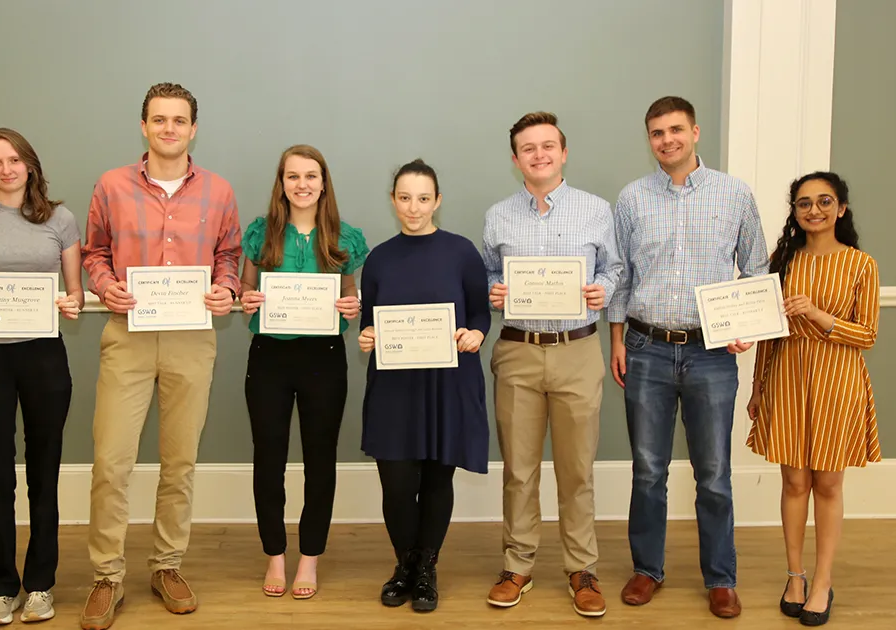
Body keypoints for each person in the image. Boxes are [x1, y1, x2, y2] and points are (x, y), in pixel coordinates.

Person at [79, 82, 242, 629]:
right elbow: (94, 251)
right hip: (127, 333)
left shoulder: (218, 191)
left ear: (193, 129)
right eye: (158, 119)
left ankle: (166, 565)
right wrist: (105, 287)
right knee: (112, 461)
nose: (168, 128)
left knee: (180, 462)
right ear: (143, 126)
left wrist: (226, 289)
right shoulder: (112, 185)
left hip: (193, 338)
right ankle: (107, 576)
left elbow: (230, 256)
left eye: (179, 120)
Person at [607, 96, 769, 618]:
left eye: (676, 130)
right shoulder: (631, 199)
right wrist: (615, 341)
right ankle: (646, 569)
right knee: (648, 469)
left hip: (711, 352)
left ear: (695, 132)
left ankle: (721, 578)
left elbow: (757, 266)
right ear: (649, 138)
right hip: (645, 348)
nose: (667, 140)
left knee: (714, 471)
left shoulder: (733, 194)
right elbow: (622, 276)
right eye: (657, 132)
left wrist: (745, 325)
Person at [481, 112, 621, 616]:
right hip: (517, 352)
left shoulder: (595, 210)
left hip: (578, 350)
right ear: (515, 158)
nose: (538, 154)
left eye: (547, 146)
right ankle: (517, 565)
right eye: (527, 147)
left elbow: (615, 268)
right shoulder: (498, 215)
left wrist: (601, 289)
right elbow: (489, 272)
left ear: (563, 153)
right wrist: (493, 290)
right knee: (519, 470)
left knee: (576, 469)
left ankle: (582, 568)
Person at [0, 128, 84, 625]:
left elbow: (76, 293)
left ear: (30, 164)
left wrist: (72, 303)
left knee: (44, 473)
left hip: (45, 358)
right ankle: (2, 587)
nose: (6, 169)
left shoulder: (61, 220)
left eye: (14, 160)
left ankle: (41, 585)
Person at [747, 171, 879, 627]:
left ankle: (823, 581)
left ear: (841, 208)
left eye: (824, 202)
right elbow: (766, 333)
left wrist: (818, 314)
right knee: (794, 483)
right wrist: (757, 387)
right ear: (795, 213)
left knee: (827, 484)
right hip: (787, 375)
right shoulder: (783, 261)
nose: (814, 210)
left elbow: (868, 335)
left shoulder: (862, 264)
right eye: (804, 203)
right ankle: (795, 576)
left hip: (838, 379)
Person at [358, 159, 490, 613]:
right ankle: (404, 564)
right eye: (404, 197)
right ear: (393, 200)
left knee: (437, 479)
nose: (413, 208)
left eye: (423, 198)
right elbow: (369, 320)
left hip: (446, 382)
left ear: (437, 201)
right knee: (396, 485)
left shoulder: (462, 251)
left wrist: (476, 334)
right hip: (395, 388)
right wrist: (367, 335)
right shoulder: (379, 257)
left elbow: (479, 313)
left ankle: (427, 569)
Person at [238, 144, 368, 599]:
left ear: (324, 183)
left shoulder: (345, 238)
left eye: (311, 176)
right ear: (282, 184)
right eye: (293, 177)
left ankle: (309, 559)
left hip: (324, 359)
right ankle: (275, 555)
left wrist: (351, 307)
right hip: (269, 356)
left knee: (320, 459)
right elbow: (245, 290)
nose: (302, 184)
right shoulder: (260, 234)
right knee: (268, 459)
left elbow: (352, 296)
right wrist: (246, 300)